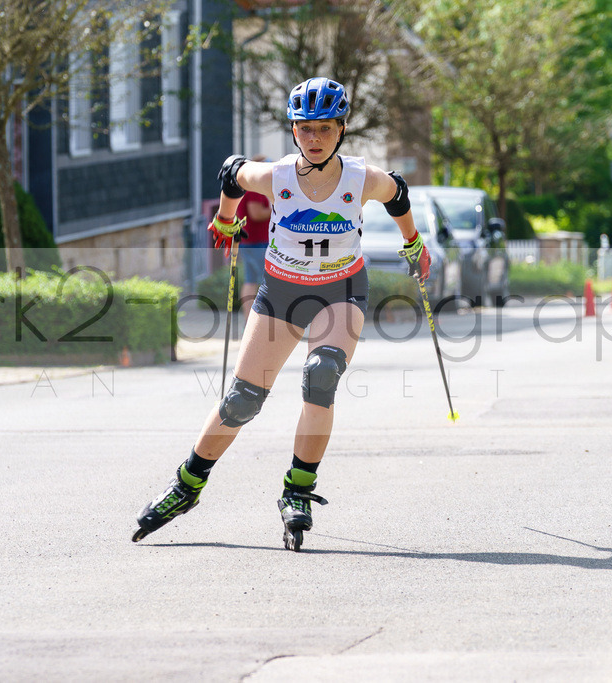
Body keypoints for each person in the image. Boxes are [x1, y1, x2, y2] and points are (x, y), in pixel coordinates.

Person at [132, 77, 429, 551]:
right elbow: (232, 172)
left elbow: (398, 193)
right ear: (293, 130)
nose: (314, 138)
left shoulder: (361, 178)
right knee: (243, 400)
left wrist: (413, 242)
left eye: (325, 128)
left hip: (341, 289)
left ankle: (298, 490)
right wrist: (226, 218)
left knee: (321, 375)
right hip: (283, 291)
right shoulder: (277, 176)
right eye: (305, 128)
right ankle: (187, 485)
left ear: (342, 129)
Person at [235, 155, 271, 311]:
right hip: (257, 241)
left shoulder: (248, 187)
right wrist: (277, 209)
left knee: (250, 281)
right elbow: (256, 214)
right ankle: (260, 318)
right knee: (266, 282)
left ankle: (249, 319)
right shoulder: (255, 188)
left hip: (250, 241)